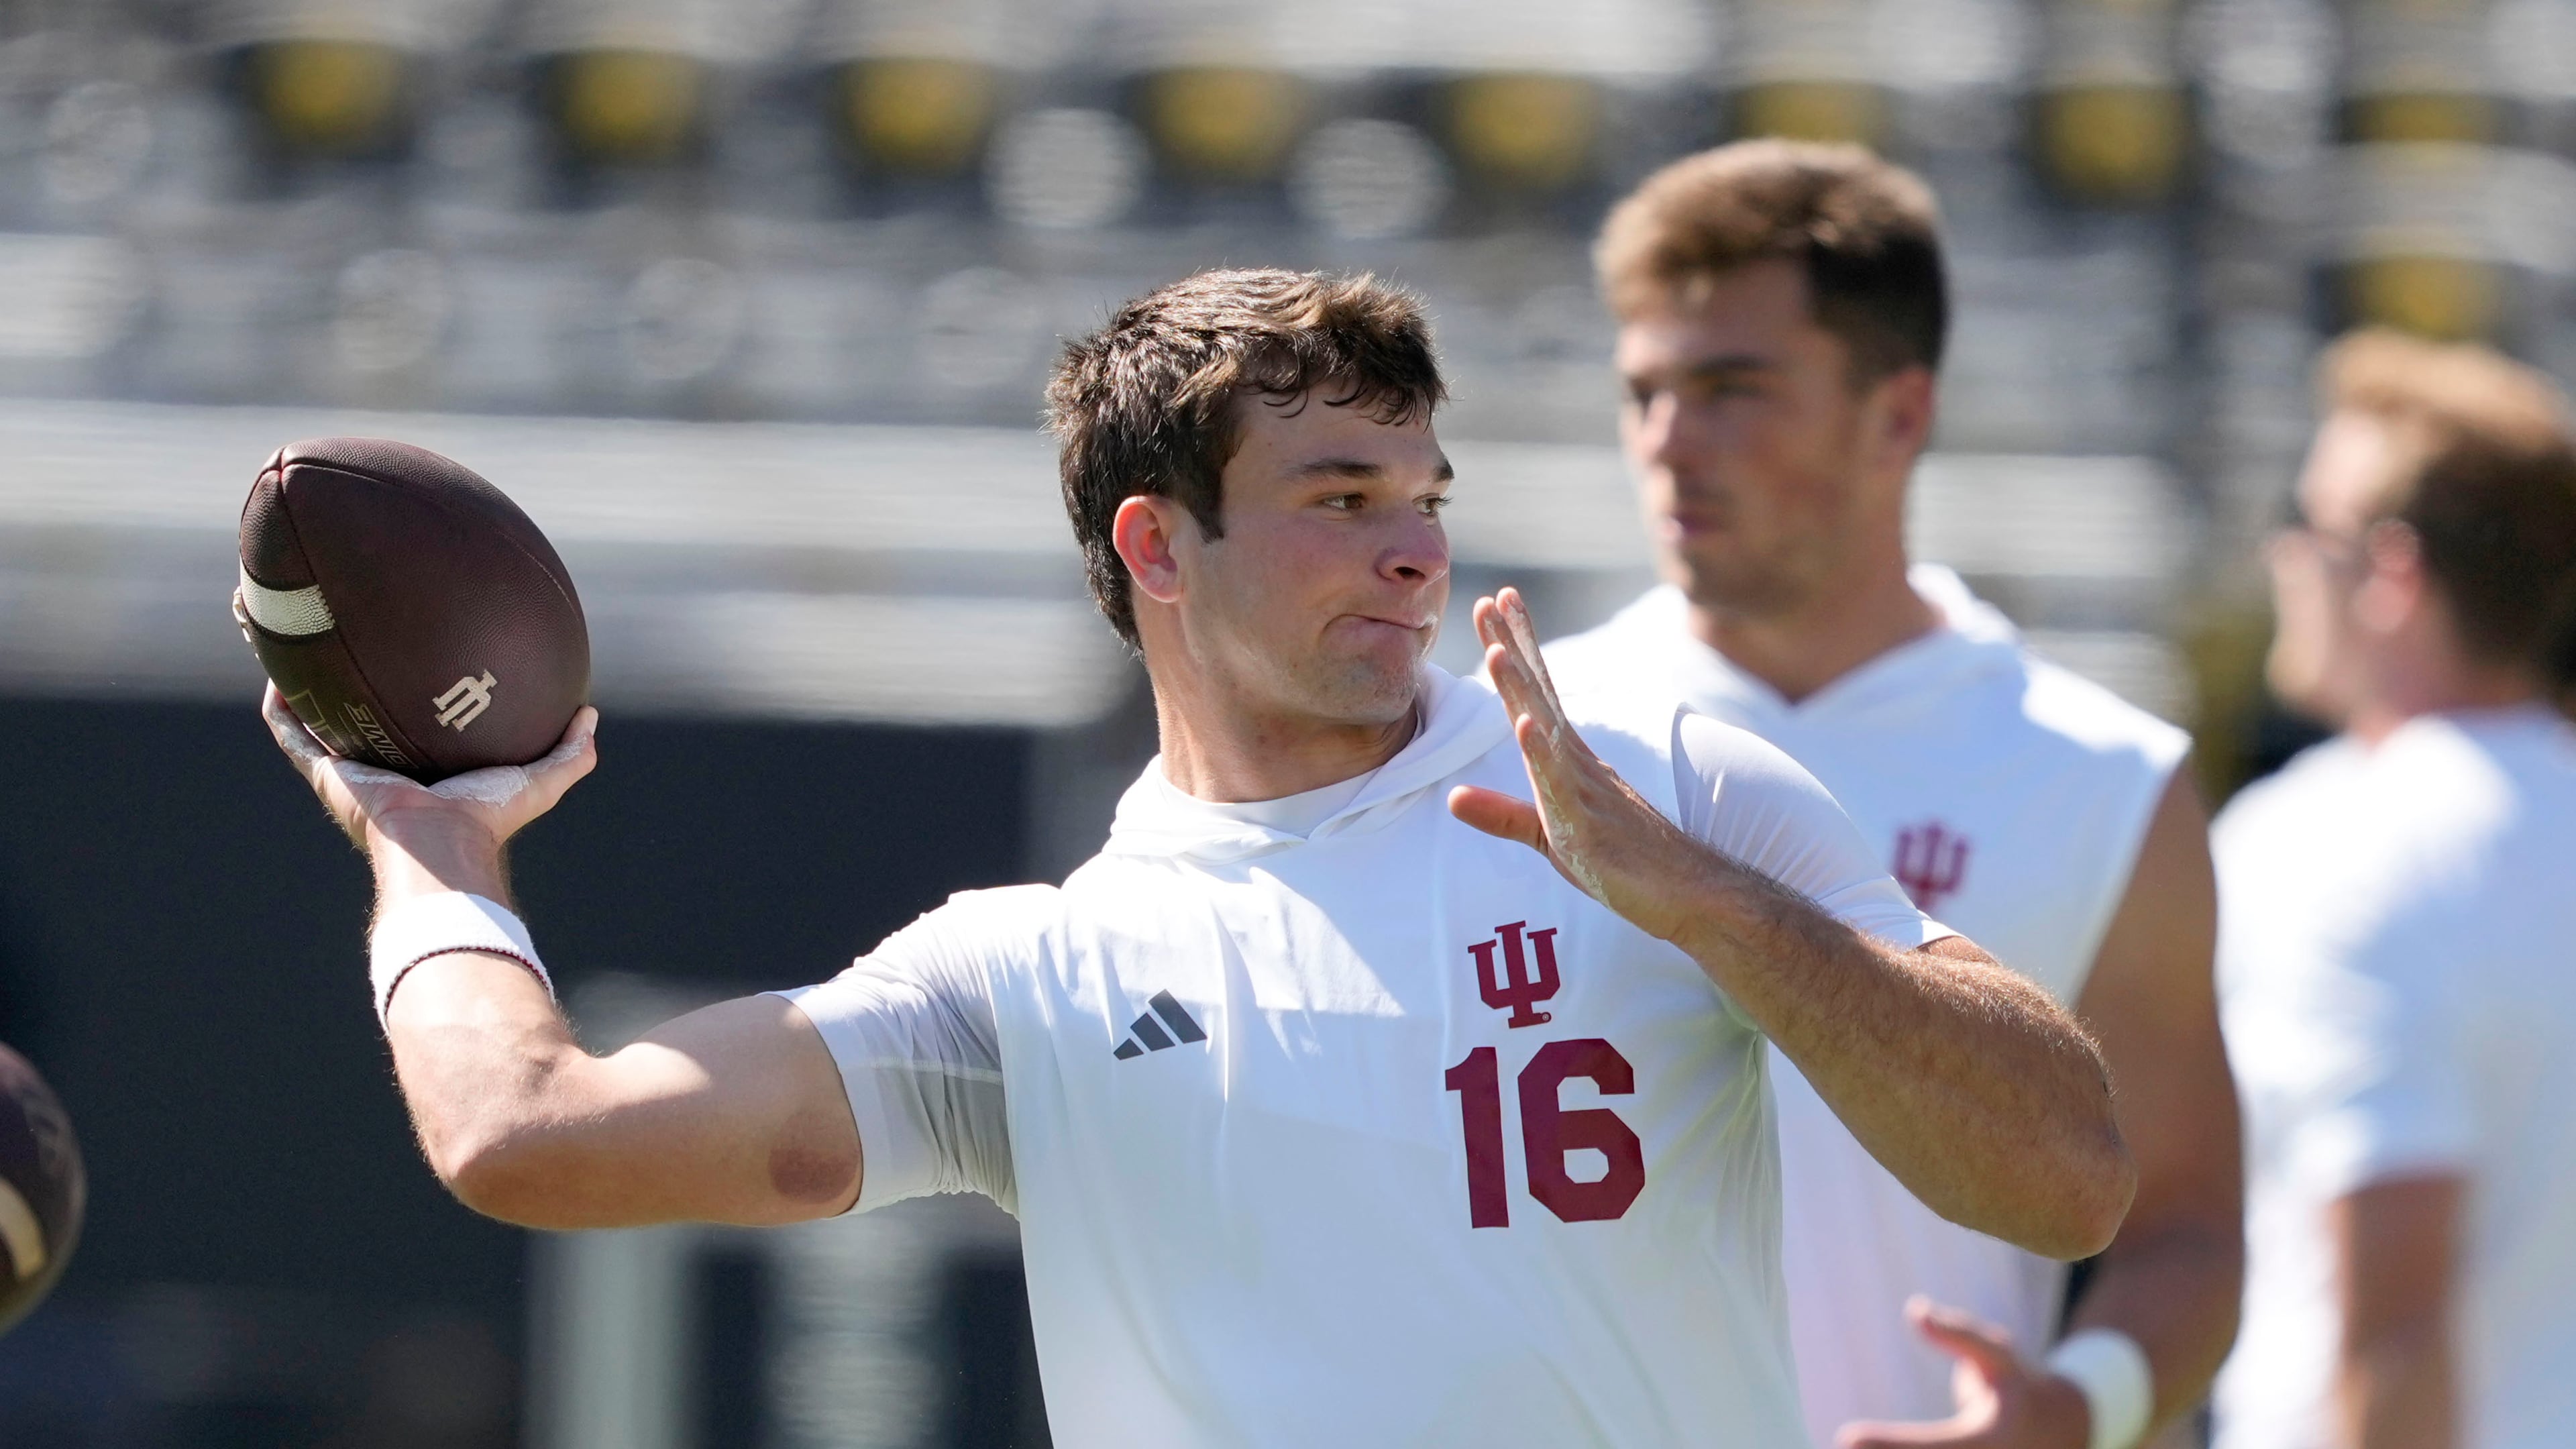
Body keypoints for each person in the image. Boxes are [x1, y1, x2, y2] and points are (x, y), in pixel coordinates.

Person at [264, 268, 2130, 1448]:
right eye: (1339, 501)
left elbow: (2066, 1176)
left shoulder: (1665, 793)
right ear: (1158, 549)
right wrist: (431, 859)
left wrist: (1718, 915)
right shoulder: (1032, 980)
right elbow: (527, 1138)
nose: (1414, 553)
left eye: (1424, 499)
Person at [1544, 141, 2241, 1449]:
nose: (1669, 442)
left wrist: (2079, 1413)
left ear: (1899, 415)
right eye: (1644, 391)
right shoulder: (1523, 736)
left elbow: (2188, 1232)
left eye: (1732, 387)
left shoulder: (2103, 777)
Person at [2210, 331, 2576, 1449]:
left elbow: (2395, 1334)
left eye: (2308, 526)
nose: (2283, 557)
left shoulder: (2338, 845)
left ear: (2393, 572)